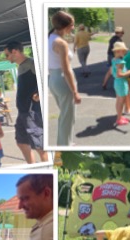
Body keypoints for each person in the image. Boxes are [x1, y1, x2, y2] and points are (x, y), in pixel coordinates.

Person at [4, 41, 48, 163]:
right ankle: (33, 167)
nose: (6, 58)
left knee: (40, 147)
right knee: (21, 142)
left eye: (7, 55)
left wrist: (40, 93)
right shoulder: (22, 66)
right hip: (22, 112)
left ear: (15, 52)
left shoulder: (32, 63)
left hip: (32, 112)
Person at [48, 11, 82, 146]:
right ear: (65, 26)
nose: (73, 28)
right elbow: (66, 70)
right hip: (62, 79)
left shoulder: (49, 37)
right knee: (67, 117)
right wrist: (75, 92)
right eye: (72, 25)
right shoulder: (60, 43)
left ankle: (66, 142)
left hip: (53, 79)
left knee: (65, 115)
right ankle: (64, 146)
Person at [110, 42, 130, 126]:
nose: (124, 52)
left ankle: (119, 116)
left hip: (116, 82)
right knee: (121, 101)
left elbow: (114, 73)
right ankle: (119, 119)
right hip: (121, 83)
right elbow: (119, 74)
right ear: (118, 51)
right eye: (123, 50)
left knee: (118, 100)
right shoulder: (121, 62)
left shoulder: (114, 59)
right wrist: (129, 72)